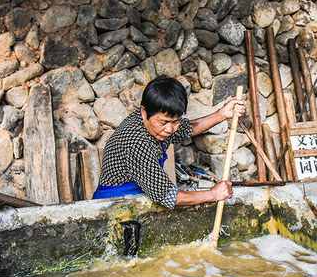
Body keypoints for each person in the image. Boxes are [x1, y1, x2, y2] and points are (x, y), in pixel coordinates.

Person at [93, 76, 247, 209]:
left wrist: (222, 114)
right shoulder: (136, 142)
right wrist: (213, 194)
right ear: (143, 112)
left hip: (137, 198)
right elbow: (167, 196)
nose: (170, 129)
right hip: (113, 205)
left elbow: (189, 128)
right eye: (164, 122)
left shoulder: (155, 123)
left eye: (176, 121)